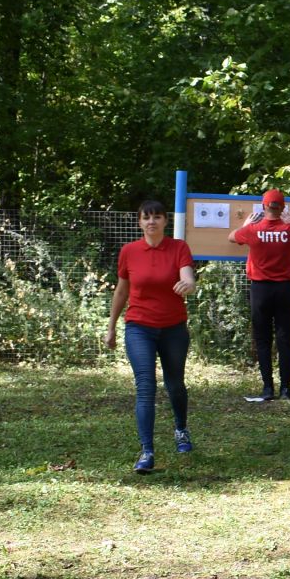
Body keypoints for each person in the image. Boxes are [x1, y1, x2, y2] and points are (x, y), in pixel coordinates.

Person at [107, 198, 197, 474]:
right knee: (145, 386)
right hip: (139, 326)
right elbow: (122, 290)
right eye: (146, 217)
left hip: (173, 328)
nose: (151, 222)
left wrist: (189, 284)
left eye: (157, 217)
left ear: (165, 221)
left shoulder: (179, 247)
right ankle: (147, 451)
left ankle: (181, 429)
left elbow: (187, 276)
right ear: (139, 222)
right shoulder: (129, 251)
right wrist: (111, 326)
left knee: (175, 384)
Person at [230, 188, 290, 402]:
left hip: (260, 290)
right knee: (285, 339)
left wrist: (247, 223)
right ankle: (286, 389)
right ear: (283, 208)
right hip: (284, 289)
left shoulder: (253, 230)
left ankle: (268, 388)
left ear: (263, 207)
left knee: (262, 339)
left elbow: (232, 237)